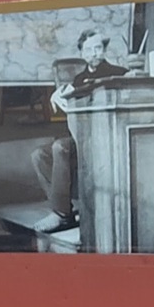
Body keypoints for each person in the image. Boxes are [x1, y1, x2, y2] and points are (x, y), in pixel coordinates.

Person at [31, 29, 127, 232]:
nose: (94, 53)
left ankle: (60, 215)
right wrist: (60, 95)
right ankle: (63, 210)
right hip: (81, 136)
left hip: (106, 137)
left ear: (104, 50)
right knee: (38, 154)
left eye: (98, 48)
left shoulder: (119, 73)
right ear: (82, 53)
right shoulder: (78, 79)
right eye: (89, 49)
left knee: (60, 147)